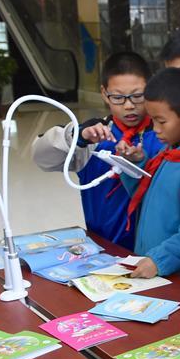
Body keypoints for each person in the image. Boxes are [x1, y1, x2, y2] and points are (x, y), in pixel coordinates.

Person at [31, 51, 162, 250]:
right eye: (118, 97)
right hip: (103, 250)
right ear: (104, 93)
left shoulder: (164, 134)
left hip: (155, 252)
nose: (128, 106)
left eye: (137, 96)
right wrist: (77, 137)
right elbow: (41, 158)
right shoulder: (93, 136)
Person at [116, 68, 180, 278]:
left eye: (161, 121)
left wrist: (159, 259)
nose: (155, 129)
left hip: (172, 272)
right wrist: (135, 164)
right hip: (150, 266)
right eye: (152, 120)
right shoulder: (168, 152)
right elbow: (147, 196)